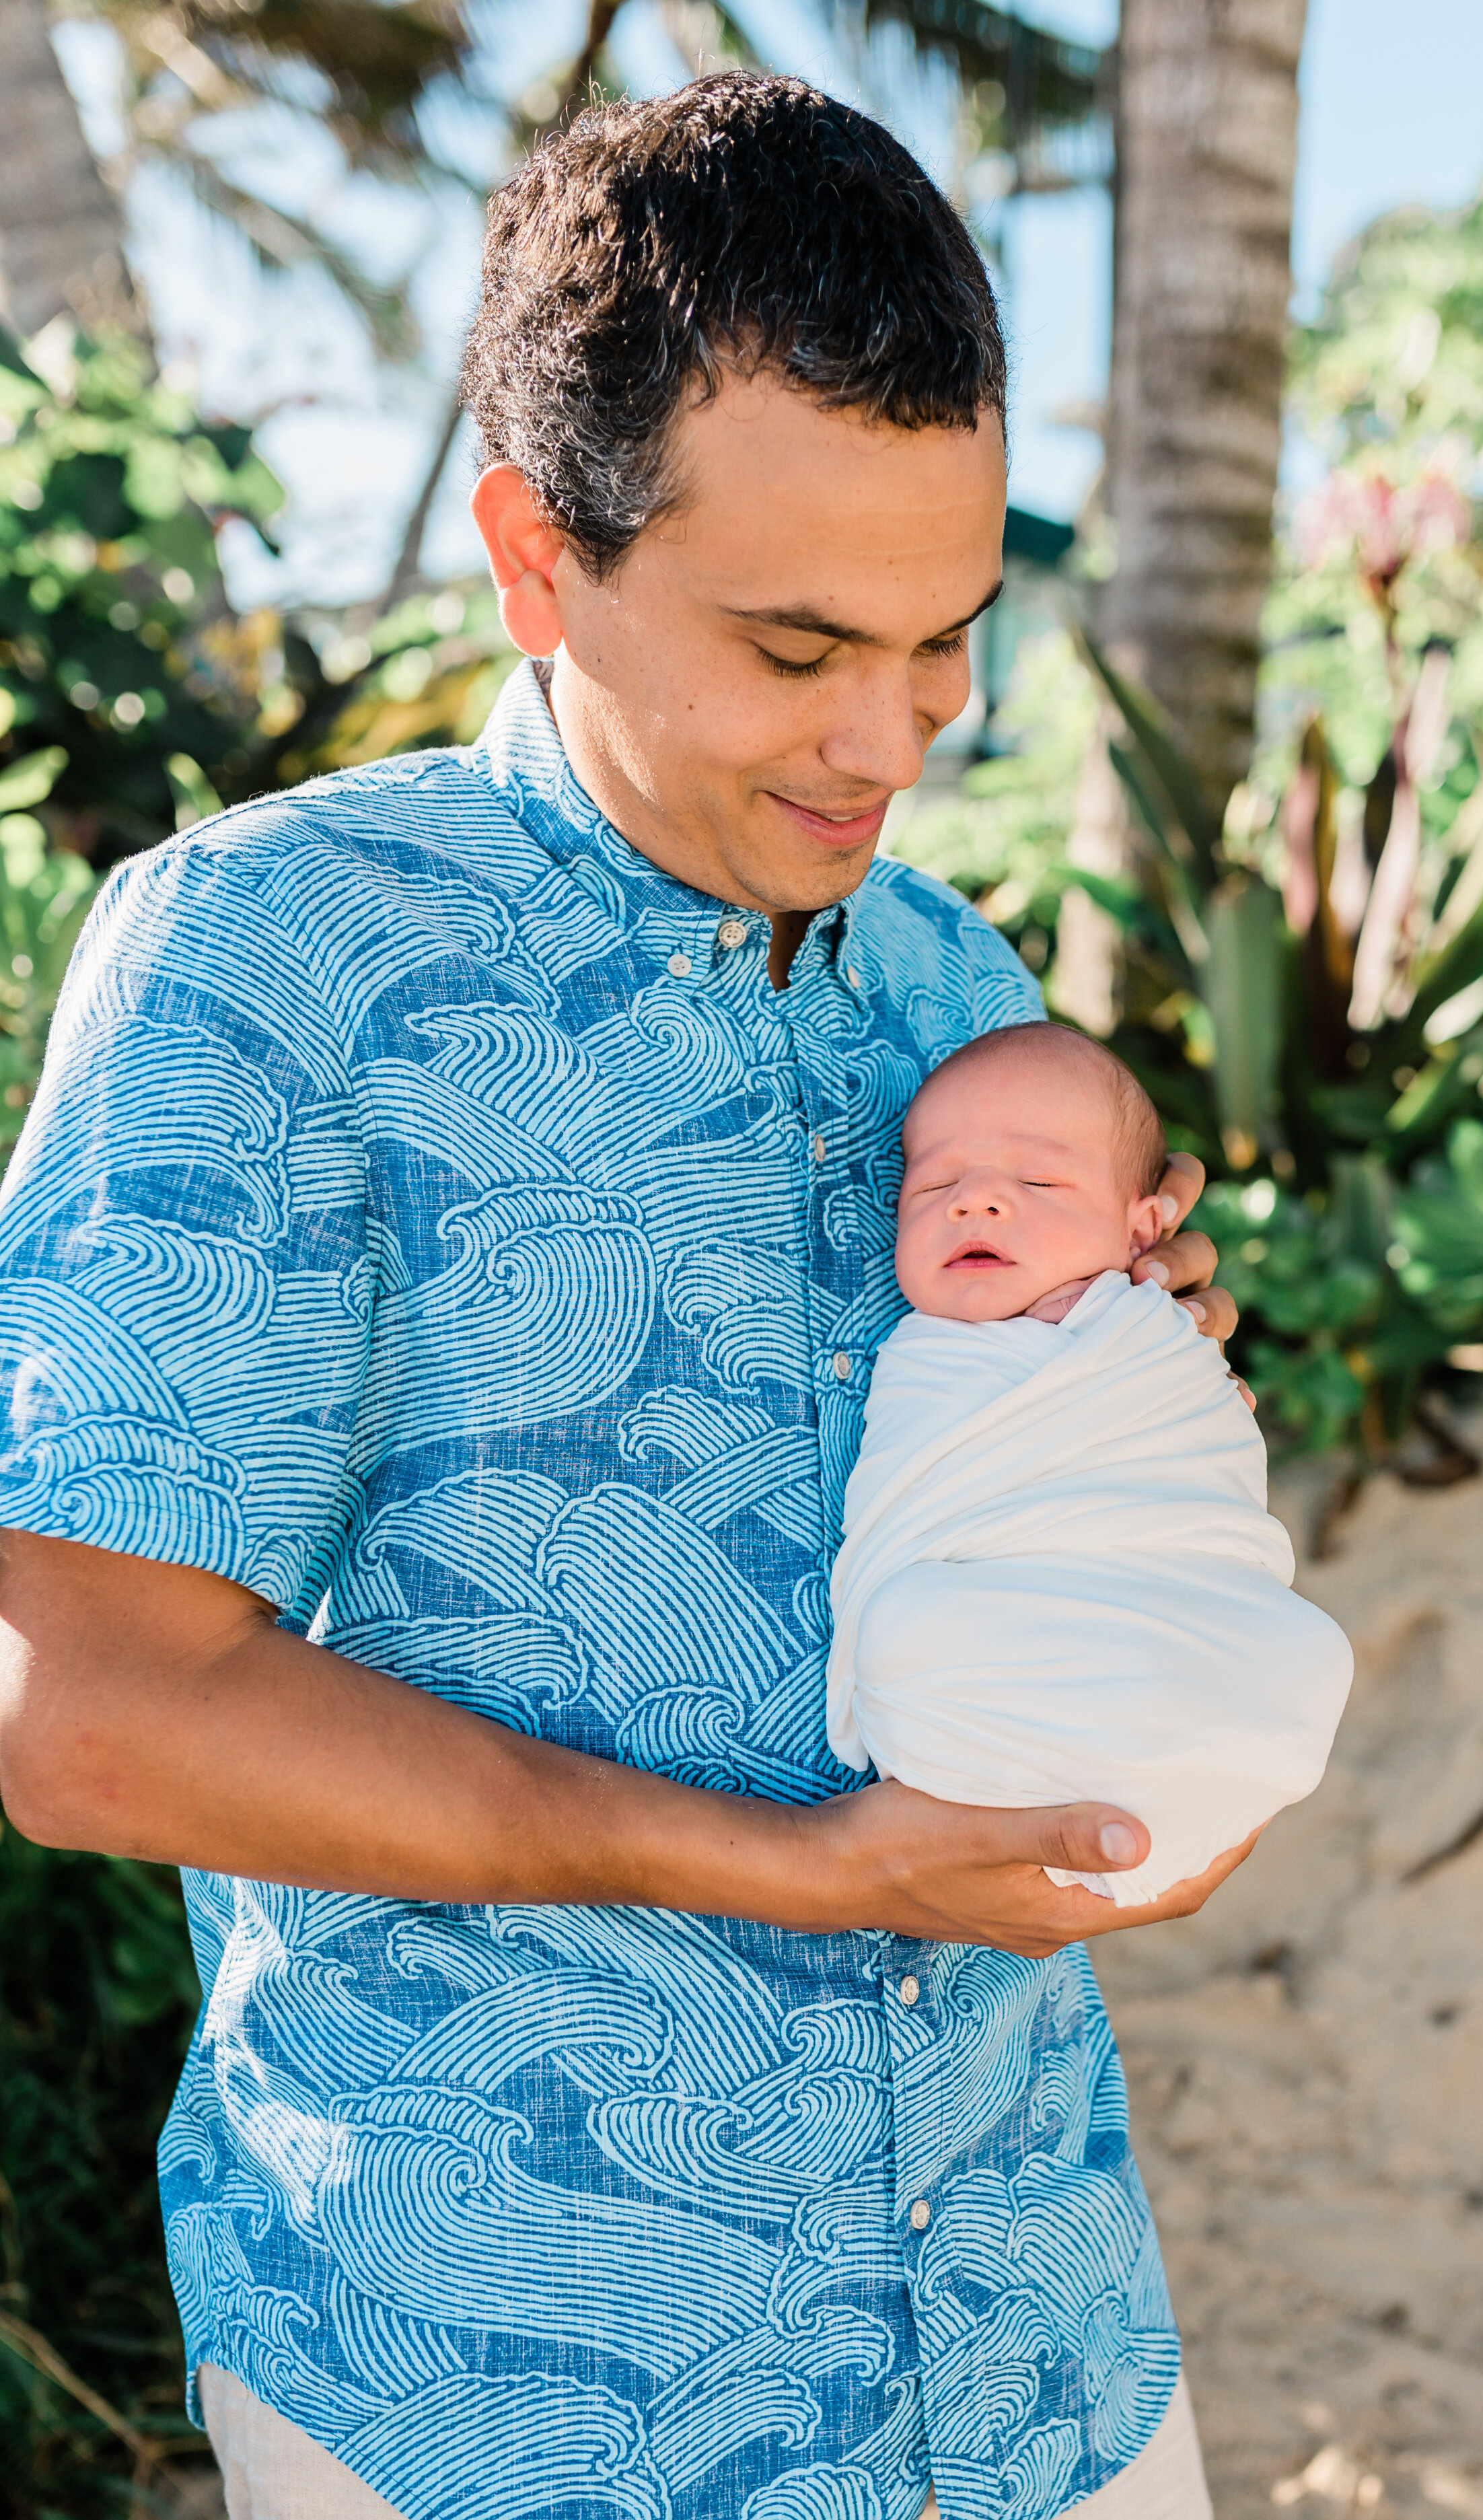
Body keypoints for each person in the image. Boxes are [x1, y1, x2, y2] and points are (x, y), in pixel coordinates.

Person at [0, 74, 1254, 2520]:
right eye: (799, 644)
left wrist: (1134, 1441)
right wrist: (789, 1866)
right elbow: (83, 1712)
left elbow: (1027, 1542)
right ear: (531, 552)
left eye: (949, 642)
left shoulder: (958, 976)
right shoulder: (266, 962)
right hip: (502, 2399)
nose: (892, 736)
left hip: (1036, 2343)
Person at [828, 1023, 1353, 1909]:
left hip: (1151, 1599)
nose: (977, 1203)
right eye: (937, 1183)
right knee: (905, 1628)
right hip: (997, 1637)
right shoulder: (924, 1355)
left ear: (1146, 1227)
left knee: (1307, 1650)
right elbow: (911, 1517)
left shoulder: (1147, 1336)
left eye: (1038, 1181)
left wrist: (1151, 1350)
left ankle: (1159, 1744)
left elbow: (1205, 1494)